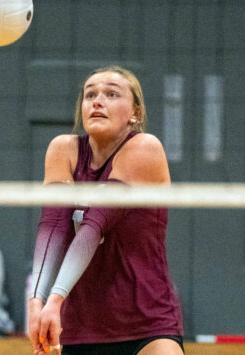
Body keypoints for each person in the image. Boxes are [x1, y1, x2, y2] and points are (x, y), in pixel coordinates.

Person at [28, 66, 184, 355]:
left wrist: (55, 300)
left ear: (135, 112)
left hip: (147, 323)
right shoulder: (63, 150)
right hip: (81, 328)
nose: (97, 101)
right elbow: (53, 229)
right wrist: (37, 302)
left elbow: (94, 225)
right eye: (90, 95)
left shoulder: (145, 149)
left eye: (111, 94)